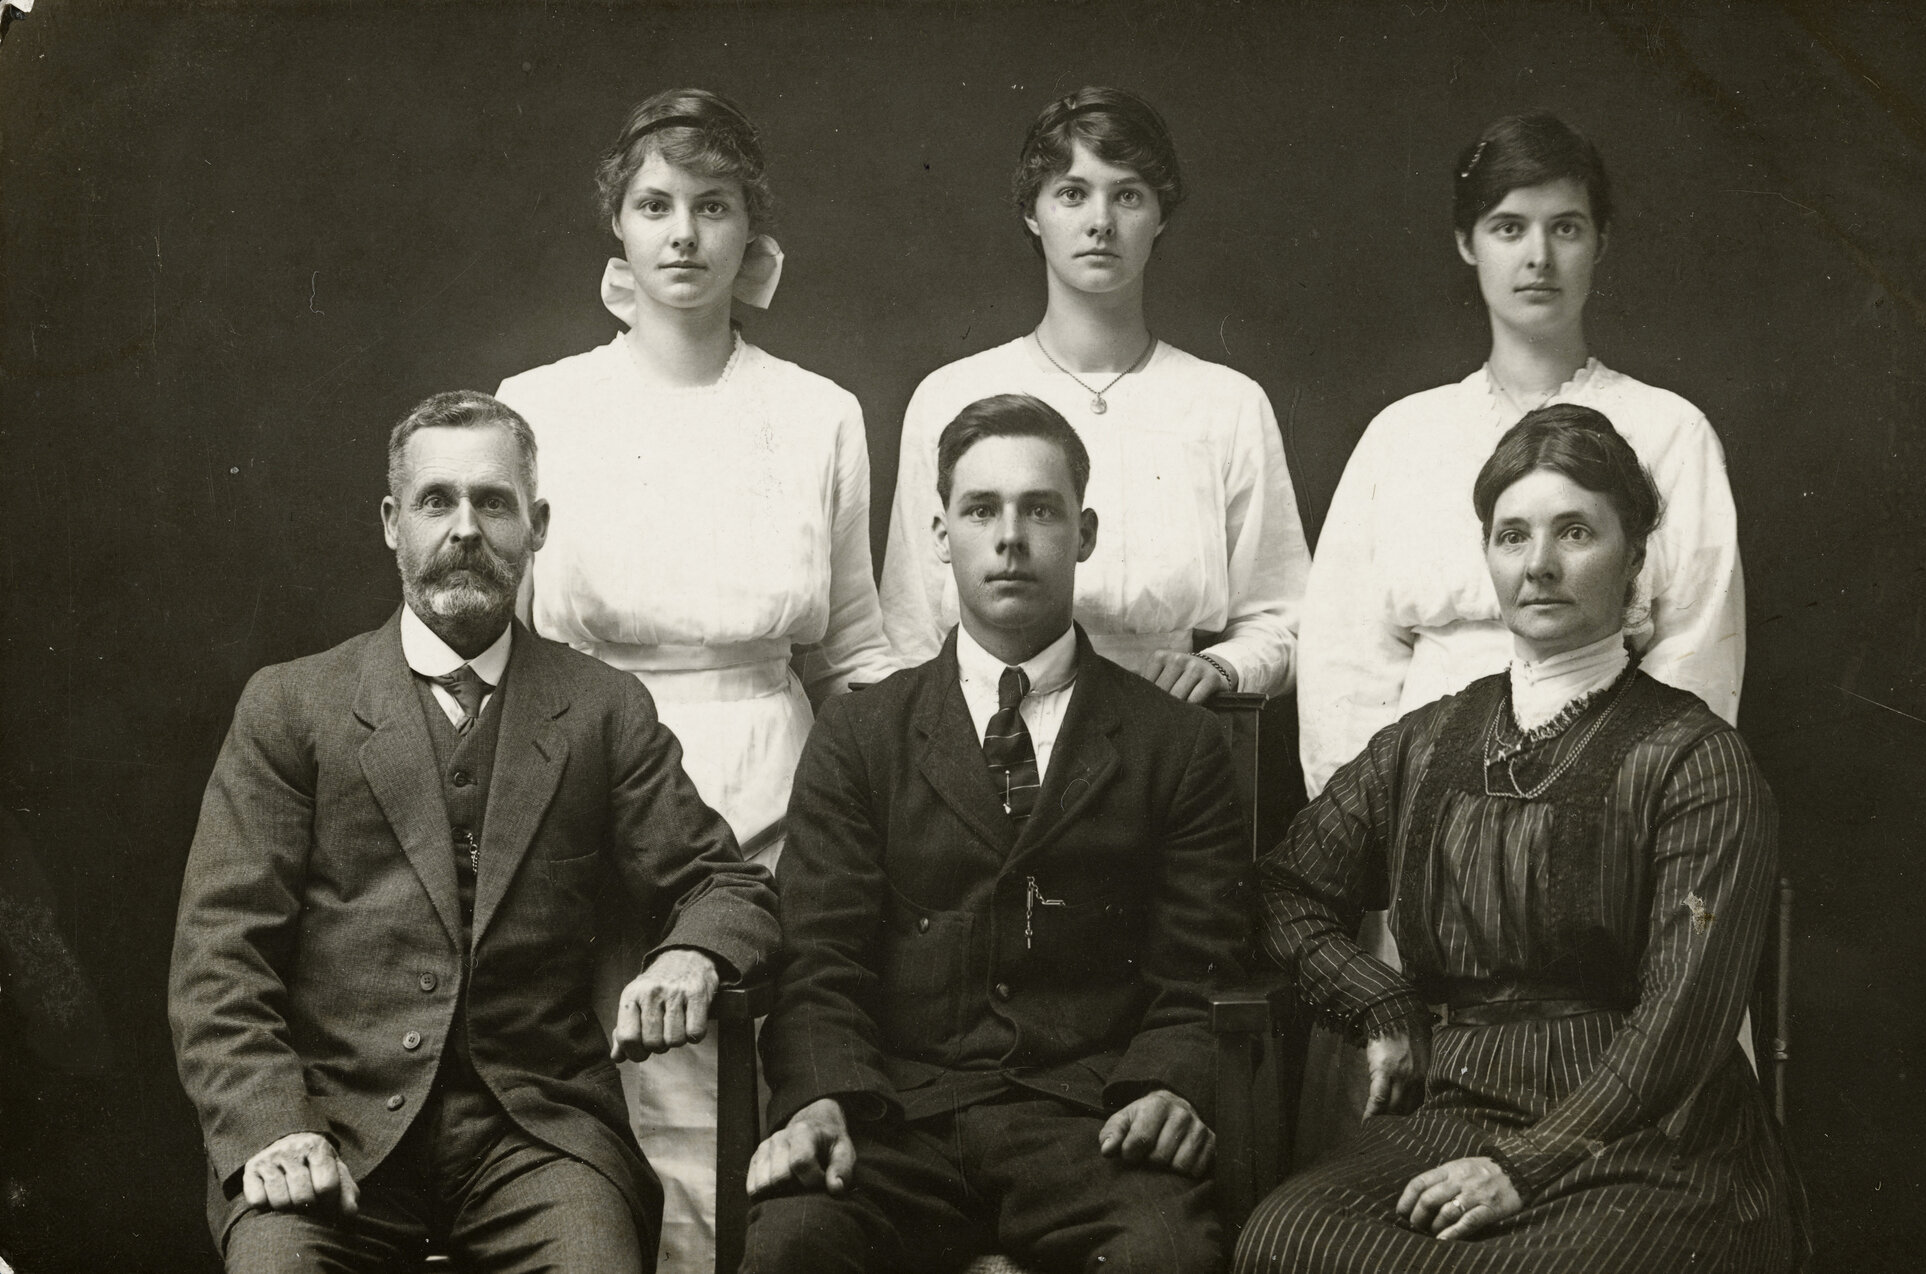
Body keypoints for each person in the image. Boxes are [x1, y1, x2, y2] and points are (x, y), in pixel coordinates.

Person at [167, 391, 780, 1273]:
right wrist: (275, 1128)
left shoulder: (601, 709)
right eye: (436, 501)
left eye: (493, 503)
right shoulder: (292, 706)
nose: (465, 528)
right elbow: (219, 959)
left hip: (538, 1139)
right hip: (331, 1134)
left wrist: (697, 954)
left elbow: (727, 884)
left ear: (536, 525)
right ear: (391, 523)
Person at [1234, 406, 1798, 1273]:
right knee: (1285, 1238)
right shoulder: (1424, 743)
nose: (1539, 565)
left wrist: (1527, 1166)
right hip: (1459, 1114)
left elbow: (1683, 1022)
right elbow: (1283, 888)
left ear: (1636, 556)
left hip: (1645, 1138)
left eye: (1576, 532)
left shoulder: (1695, 759)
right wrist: (1378, 1003)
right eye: (1512, 536)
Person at [494, 87, 899, 1269]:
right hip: (583, 788)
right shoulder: (541, 404)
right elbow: (504, 644)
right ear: (617, 227)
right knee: (608, 1099)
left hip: (774, 790)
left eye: (712, 206)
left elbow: (859, 644)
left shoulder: (819, 412)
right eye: (655, 204)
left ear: (749, 231)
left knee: (760, 1112)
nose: (684, 234)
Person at [743, 394, 1252, 1274]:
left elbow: (1199, 966)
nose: (1010, 537)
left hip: (1089, 1125)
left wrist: (1171, 1081)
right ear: (941, 535)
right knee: (796, 1248)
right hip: (901, 1118)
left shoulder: (1177, 744)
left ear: (1084, 533)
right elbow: (821, 959)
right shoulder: (863, 735)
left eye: (1040, 510)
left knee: (1167, 1256)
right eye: (981, 510)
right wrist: (820, 1098)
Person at [1298, 111, 1746, 790]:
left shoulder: (1670, 430)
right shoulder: (1401, 435)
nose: (1539, 256)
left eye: (1565, 227)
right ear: (1467, 242)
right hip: (1422, 802)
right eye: (1509, 227)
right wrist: (1370, 845)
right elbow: (1344, 664)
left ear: (1600, 242)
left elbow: (1698, 654)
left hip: (1611, 797)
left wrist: (1637, 809)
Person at [880, 86, 1309, 703]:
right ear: (1034, 212)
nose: (1100, 222)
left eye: (1128, 195)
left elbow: (1284, 617)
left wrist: (1220, 667)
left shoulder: (1225, 404)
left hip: (1165, 738)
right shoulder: (950, 395)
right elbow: (910, 628)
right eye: (1072, 193)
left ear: (1160, 215)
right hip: (986, 733)